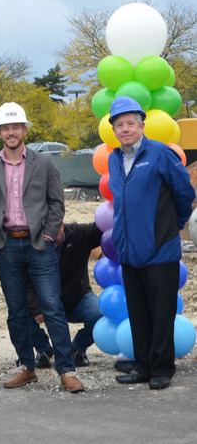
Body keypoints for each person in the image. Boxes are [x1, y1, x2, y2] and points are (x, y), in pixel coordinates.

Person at [0, 102, 84, 393]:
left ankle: (66, 369)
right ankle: (27, 367)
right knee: (16, 310)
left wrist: (49, 235)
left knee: (52, 307)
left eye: (16, 127)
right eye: (5, 128)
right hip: (6, 246)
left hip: (39, 245)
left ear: (24, 130)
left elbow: (56, 203)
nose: (11, 132)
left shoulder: (44, 163)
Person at [107, 96, 194, 390]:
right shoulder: (114, 158)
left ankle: (162, 369)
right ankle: (143, 367)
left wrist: (172, 226)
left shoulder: (160, 154)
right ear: (114, 130)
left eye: (131, 123)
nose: (125, 129)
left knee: (161, 314)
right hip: (129, 252)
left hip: (160, 250)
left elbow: (184, 193)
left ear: (142, 125)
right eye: (119, 124)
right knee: (139, 314)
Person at [24, 222, 103, 369]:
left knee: (98, 315)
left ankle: (77, 348)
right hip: (45, 302)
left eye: (53, 236)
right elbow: (26, 282)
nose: (50, 241)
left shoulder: (78, 234)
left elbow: (99, 229)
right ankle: (43, 350)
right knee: (21, 312)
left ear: (61, 226)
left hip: (78, 298)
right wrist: (36, 309)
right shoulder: (31, 243)